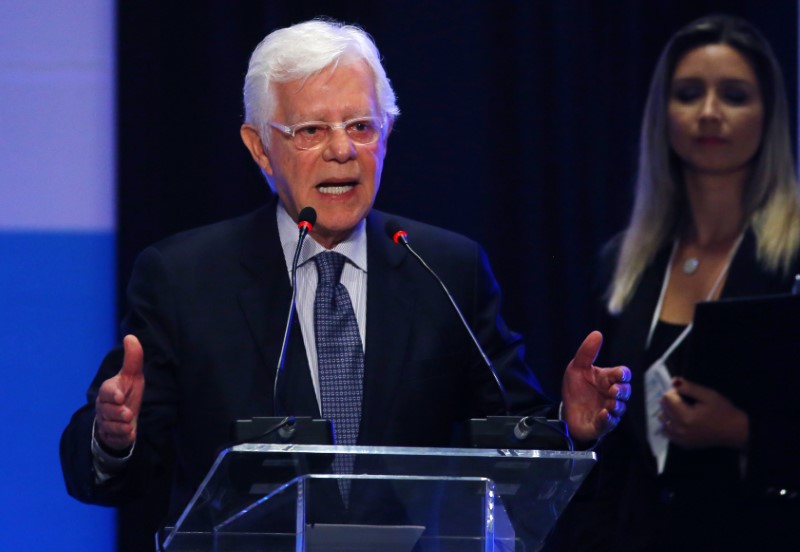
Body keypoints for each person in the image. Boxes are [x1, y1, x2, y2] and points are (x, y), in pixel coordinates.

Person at [60, 18, 630, 547]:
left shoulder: (447, 268)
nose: (342, 150)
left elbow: (512, 440)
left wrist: (569, 430)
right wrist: (114, 436)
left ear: (386, 135)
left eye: (361, 126)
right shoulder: (183, 277)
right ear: (260, 147)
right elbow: (109, 477)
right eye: (311, 129)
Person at [563, 14, 800, 551]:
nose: (710, 113)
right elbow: (605, 447)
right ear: (662, 115)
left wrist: (746, 435)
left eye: (734, 96)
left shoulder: (793, 257)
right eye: (689, 94)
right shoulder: (623, 262)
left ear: (769, 115)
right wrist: (580, 428)